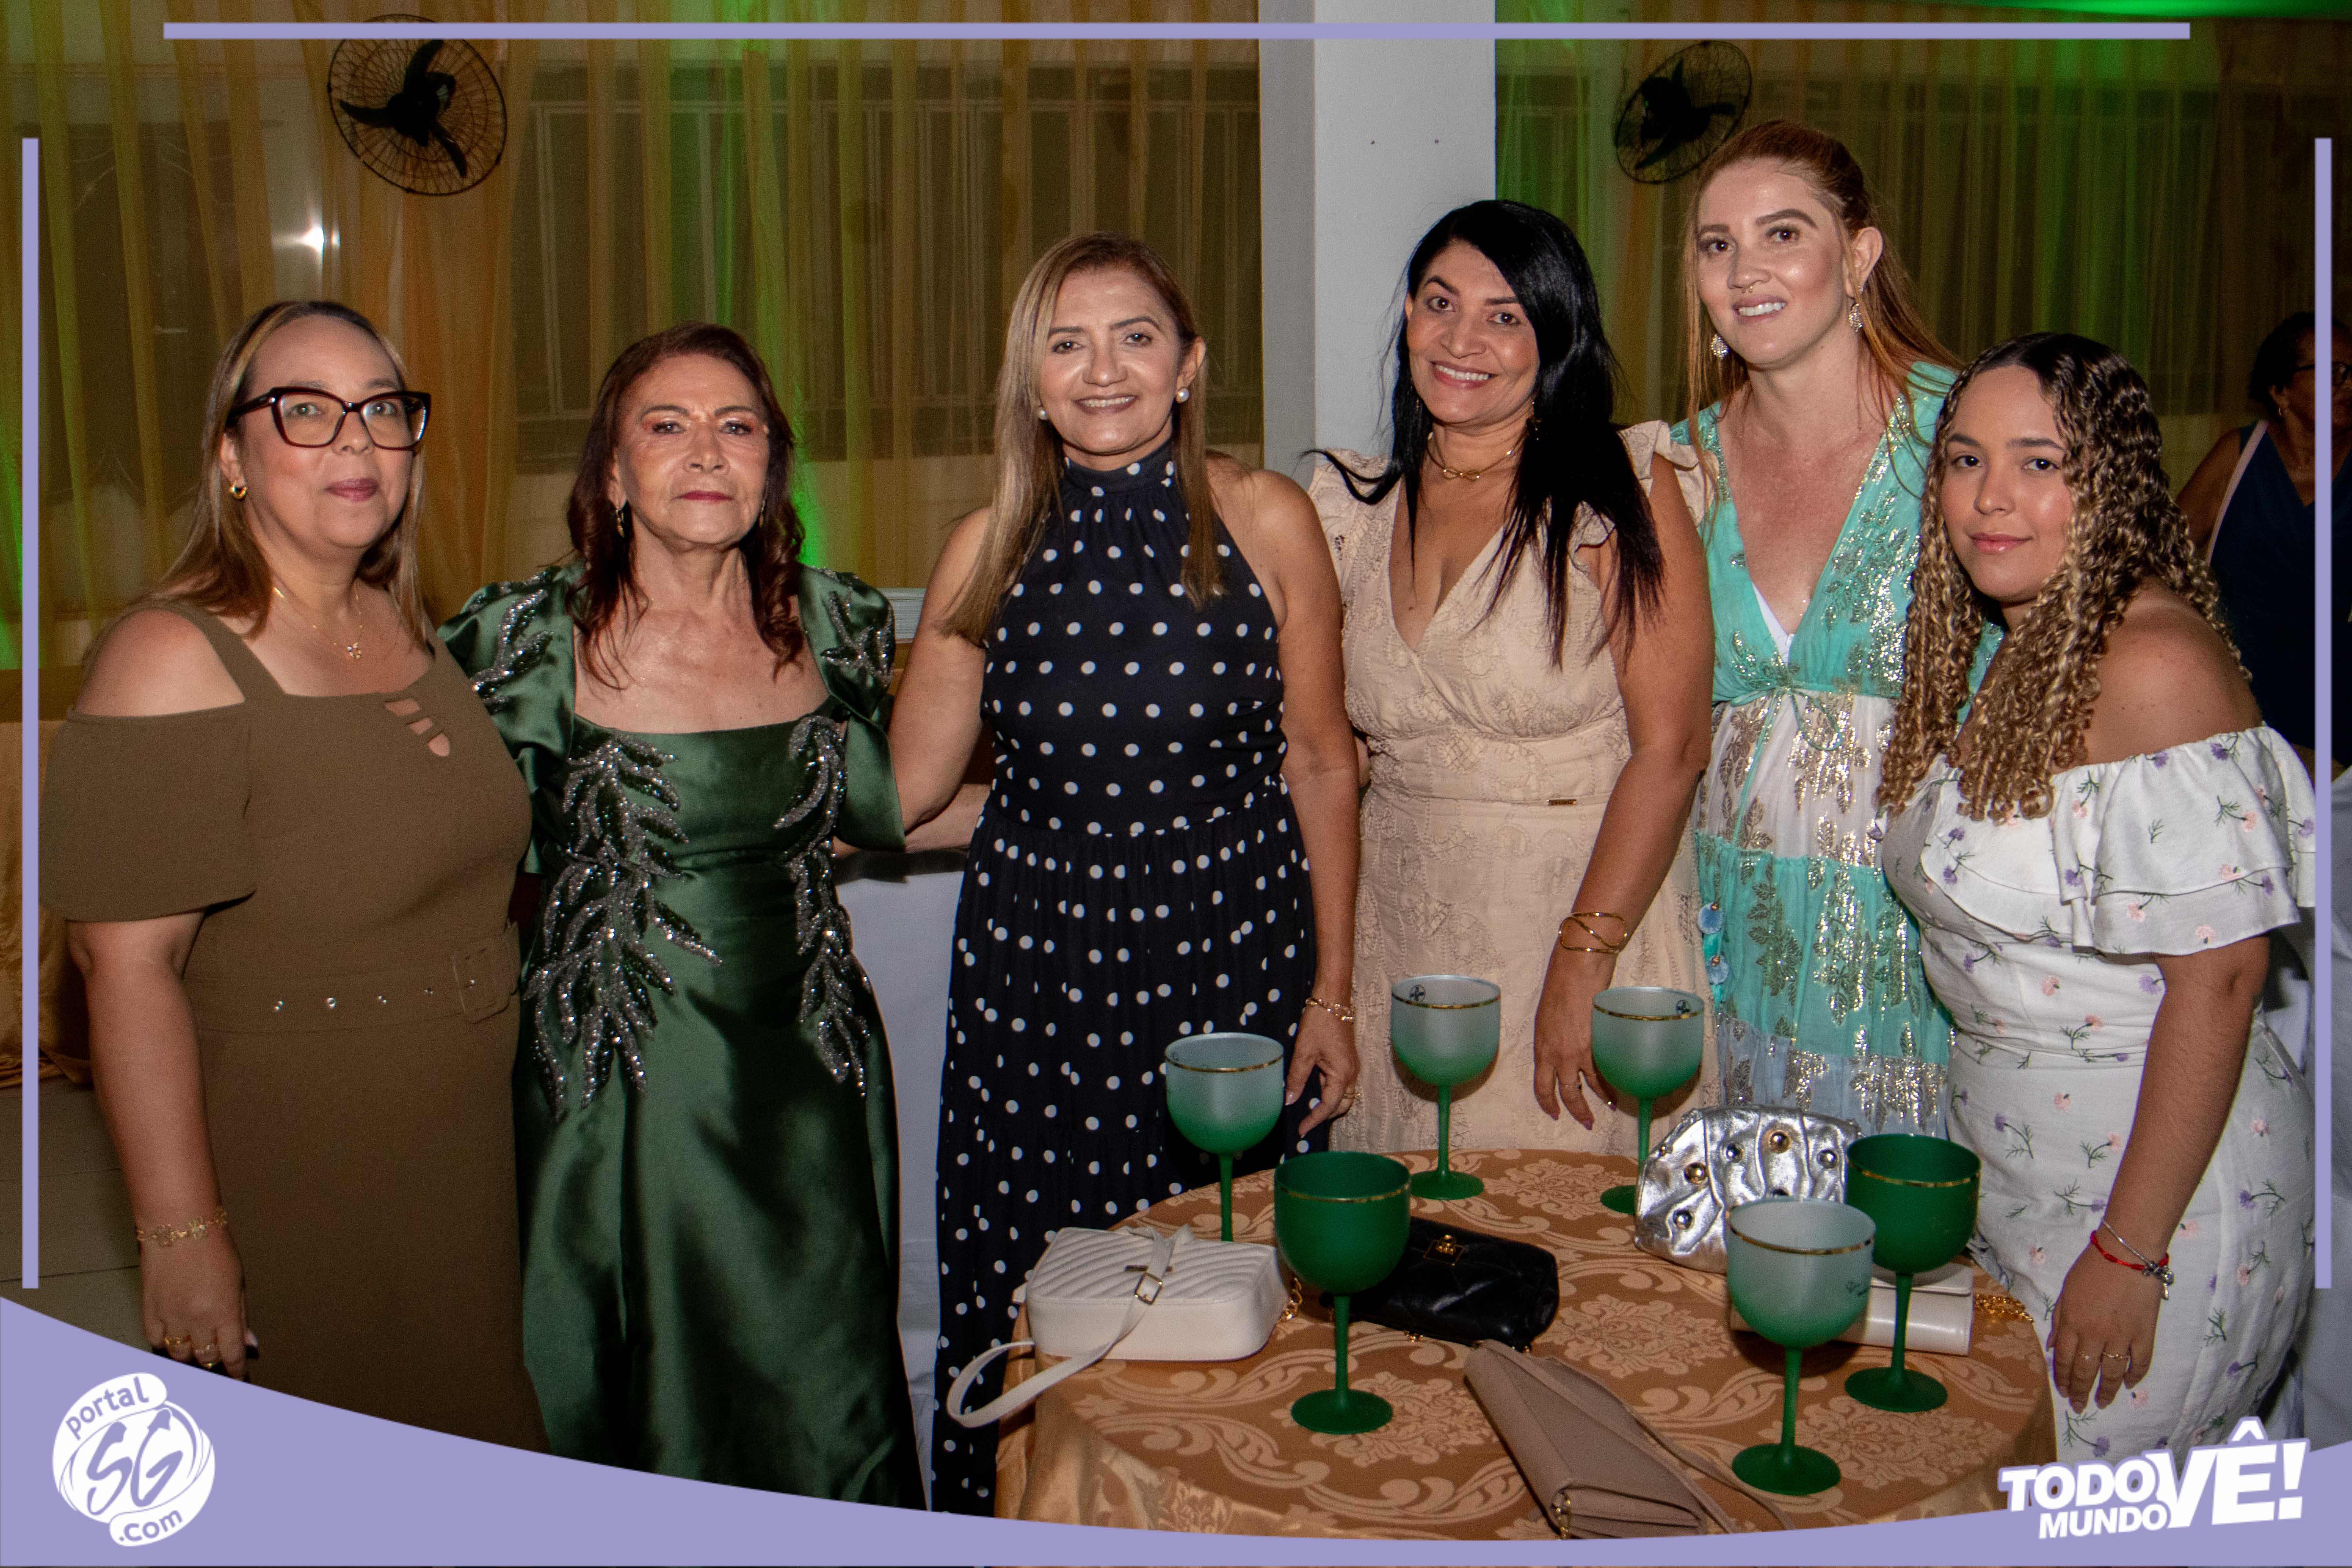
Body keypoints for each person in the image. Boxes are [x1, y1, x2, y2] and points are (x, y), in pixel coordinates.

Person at [890, 231, 1361, 1514]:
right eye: (1068, 343)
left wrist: (1332, 993)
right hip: (1038, 989)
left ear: (1189, 364)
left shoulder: (1264, 518)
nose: (1104, 371)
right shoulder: (985, 548)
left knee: (1229, 1284)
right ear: (1032, 383)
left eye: (1135, 337)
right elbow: (908, 790)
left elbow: (1323, 762)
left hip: (1227, 971)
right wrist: (719, 778)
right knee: (1048, 1289)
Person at [42, 300, 543, 1445]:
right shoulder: (170, 654)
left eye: (382, 410)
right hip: (309, 1162)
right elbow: (123, 967)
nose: (357, 441)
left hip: (457, 1156)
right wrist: (181, 1236)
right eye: (306, 411)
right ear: (232, 455)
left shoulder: (397, 623)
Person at [440, 322, 922, 1503]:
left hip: (810, 1070)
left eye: (736, 426)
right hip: (617, 1087)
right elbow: (430, 853)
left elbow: (880, 808)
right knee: (638, 1390)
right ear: (612, 472)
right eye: (666, 425)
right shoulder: (522, 639)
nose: (706, 451)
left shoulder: (839, 624)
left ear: (771, 469)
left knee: (821, 1380)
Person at [1880, 332, 2316, 1462]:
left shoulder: (2152, 664)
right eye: (1966, 460)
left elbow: (2223, 979)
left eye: (2039, 463)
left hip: (2155, 1195)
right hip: (2025, 1173)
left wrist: (2130, 1251)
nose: (1991, 497)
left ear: (2110, 483)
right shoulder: (2027, 647)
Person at [1309, 200, 1712, 1155]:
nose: (1463, 339)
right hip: (1397, 936)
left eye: (1505, 316)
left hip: (1573, 917)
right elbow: (1333, 758)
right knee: (1404, 1222)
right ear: (1409, 314)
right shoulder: (1354, 509)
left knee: (1553, 1222)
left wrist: (1583, 958)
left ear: (1556, 339)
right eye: (1440, 302)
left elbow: (1673, 748)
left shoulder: (1621, 487)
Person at [1668, 120, 1987, 1134]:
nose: (1744, 271)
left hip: (1931, 940)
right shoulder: (1677, 468)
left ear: (1858, 255)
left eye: (1783, 234)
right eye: (1717, 244)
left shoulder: (1968, 437)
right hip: (1729, 932)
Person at [2176, 311, 2350, 776]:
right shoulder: (2239, 454)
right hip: (2239, 679)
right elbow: (2164, 557)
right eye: (2333, 372)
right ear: (2280, 390)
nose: (2348, 384)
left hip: (2333, 688)